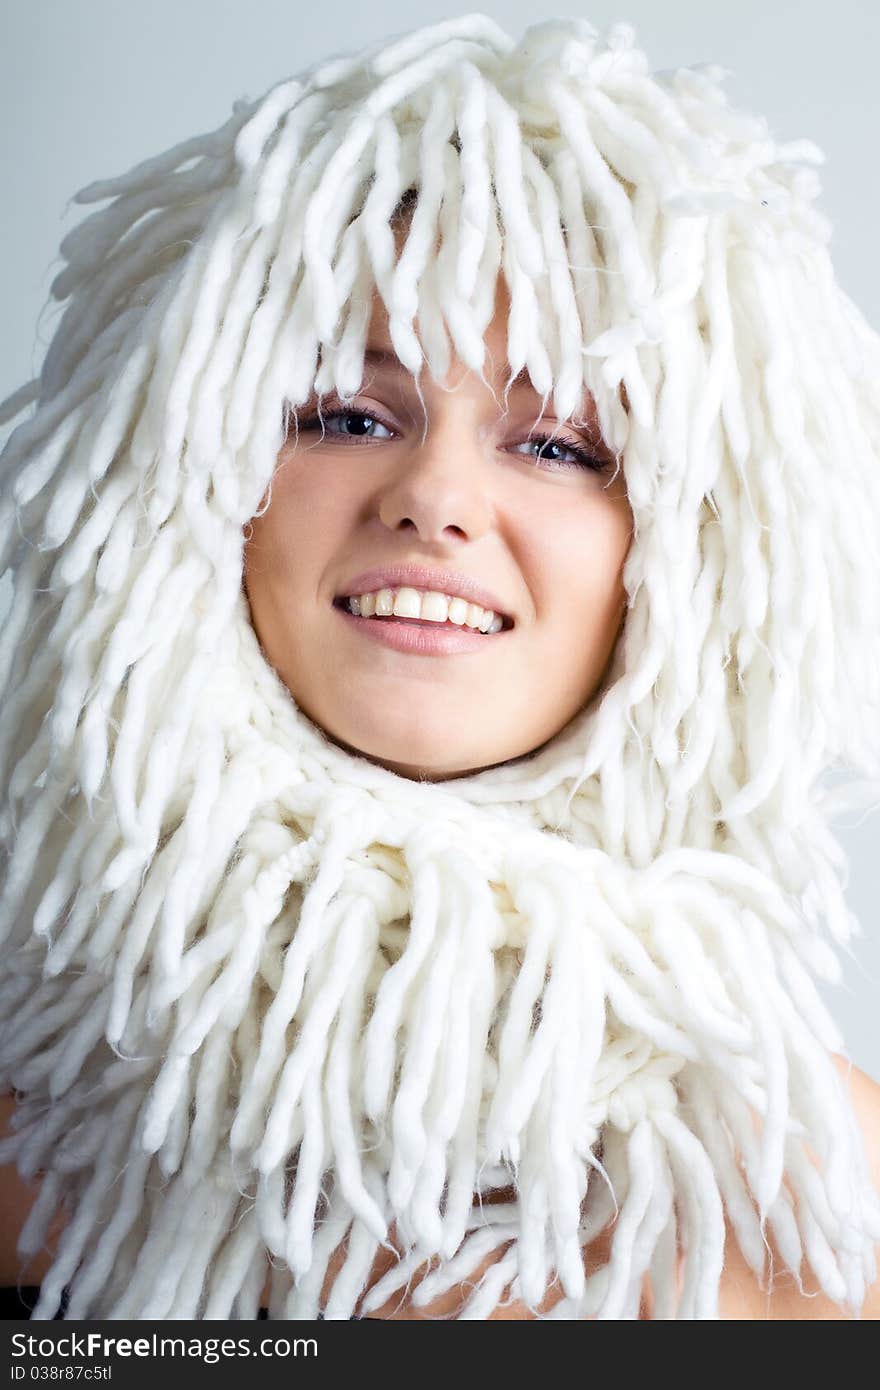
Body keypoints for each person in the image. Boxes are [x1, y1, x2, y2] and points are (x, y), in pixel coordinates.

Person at [0, 11, 879, 1321]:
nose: (434, 497)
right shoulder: (33, 1155)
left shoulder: (814, 1211)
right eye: (349, 415)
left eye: (562, 445)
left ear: (704, 558)